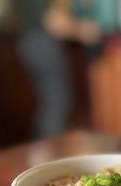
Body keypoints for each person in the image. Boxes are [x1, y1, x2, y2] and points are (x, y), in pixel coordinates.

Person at [18, 0, 104, 139]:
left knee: (53, 103)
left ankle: (44, 151)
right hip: (42, 44)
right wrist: (82, 30)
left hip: (33, 42)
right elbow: (54, 22)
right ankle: (50, 152)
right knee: (57, 104)